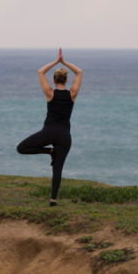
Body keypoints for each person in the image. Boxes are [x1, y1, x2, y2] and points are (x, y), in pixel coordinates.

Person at [16, 48, 82, 206]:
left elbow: (40, 72)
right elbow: (79, 72)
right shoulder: (72, 94)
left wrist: (56, 61)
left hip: (49, 132)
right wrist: (64, 62)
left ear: (54, 80)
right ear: (66, 81)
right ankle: (53, 199)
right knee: (57, 169)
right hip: (65, 135)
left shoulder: (50, 93)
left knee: (21, 148)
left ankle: (48, 151)